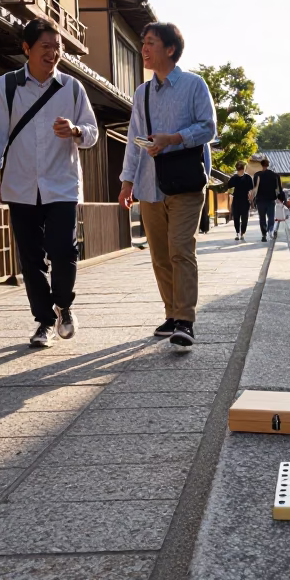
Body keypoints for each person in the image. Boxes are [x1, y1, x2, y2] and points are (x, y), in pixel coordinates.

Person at [0, 19, 98, 348]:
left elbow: (92, 132)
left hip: (61, 184)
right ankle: (44, 321)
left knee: (63, 250)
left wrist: (75, 131)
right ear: (27, 49)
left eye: (57, 47)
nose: (53, 53)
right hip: (20, 185)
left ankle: (65, 305)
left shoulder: (72, 88)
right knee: (31, 258)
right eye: (45, 46)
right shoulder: (8, 86)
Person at [119, 22, 217, 347]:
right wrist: (126, 182)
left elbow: (208, 128)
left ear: (170, 49)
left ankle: (185, 321)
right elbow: (134, 140)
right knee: (160, 255)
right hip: (149, 184)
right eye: (143, 43)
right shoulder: (141, 92)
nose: (144, 49)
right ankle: (171, 314)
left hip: (187, 182)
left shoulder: (193, 85)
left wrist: (173, 139)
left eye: (150, 43)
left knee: (180, 249)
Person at [252, 157, 284, 242]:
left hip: (260, 200)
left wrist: (253, 198)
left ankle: (263, 234)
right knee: (271, 217)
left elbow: (255, 188)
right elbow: (278, 189)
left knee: (262, 218)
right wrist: (280, 198)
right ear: (268, 165)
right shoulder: (275, 175)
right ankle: (270, 230)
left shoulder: (257, 175)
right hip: (271, 200)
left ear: (261, 165)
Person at [223, 162, 254, 240]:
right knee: (236, 217)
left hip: (245, 200)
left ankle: (243, 233)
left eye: (241, 169)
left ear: (243, 169)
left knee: (244, 218)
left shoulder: (248, 178)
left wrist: (251, 197)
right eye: (239, 169)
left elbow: (251, 189)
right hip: (236, 199)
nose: (241, 171)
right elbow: (229, 185)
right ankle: (237, 232)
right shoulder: (234, 178)